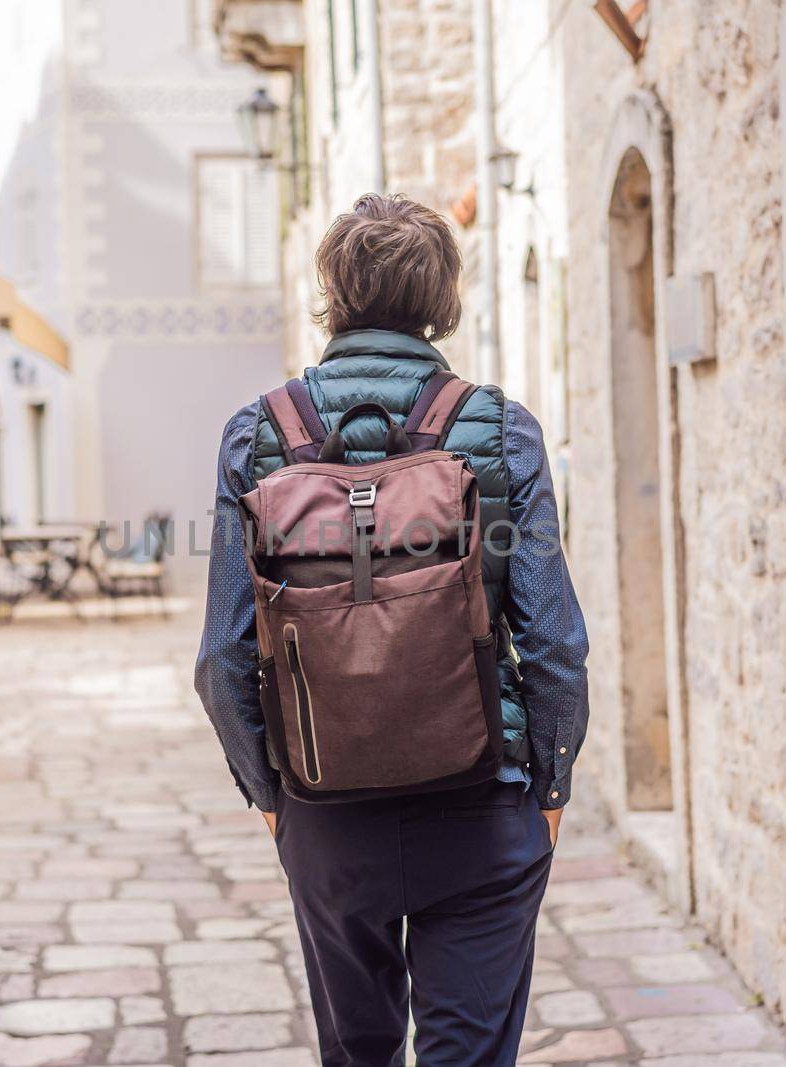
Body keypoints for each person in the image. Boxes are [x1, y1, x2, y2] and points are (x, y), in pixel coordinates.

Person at [194, 193, 590, 1067]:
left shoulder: (259, 435)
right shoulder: (500, 429)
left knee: (358, 1052)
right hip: (483, 802)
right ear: (442, 300)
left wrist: (274, 797)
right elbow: (555, 644)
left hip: (328, 810)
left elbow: (222, 662)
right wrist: (549, 786)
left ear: (332, 293)